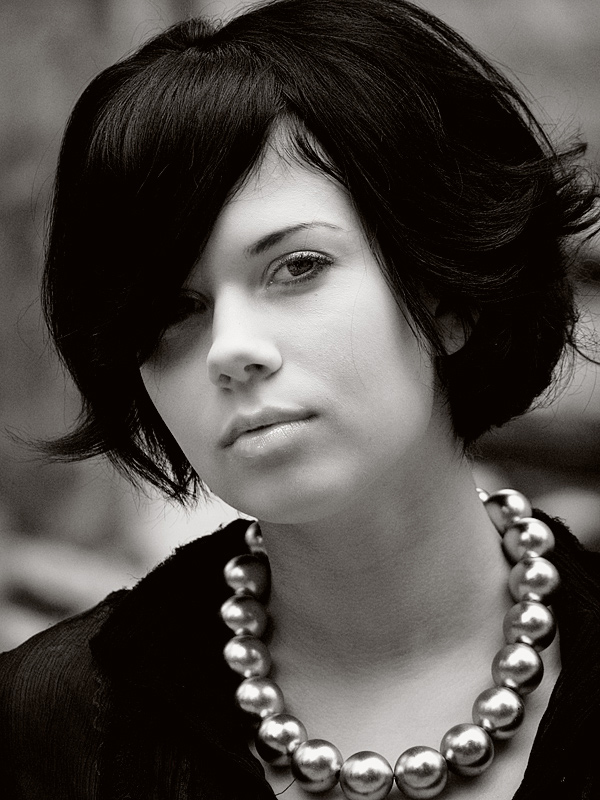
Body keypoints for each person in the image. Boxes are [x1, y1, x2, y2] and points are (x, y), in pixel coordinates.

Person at [1, 0, 599, 797]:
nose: (231, 350)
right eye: (173, 309)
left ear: (447, 295)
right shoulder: (46, 730)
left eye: (298, 267)